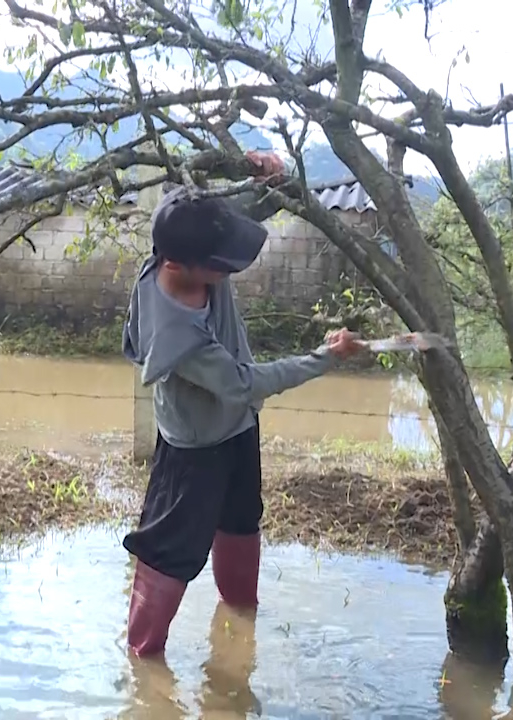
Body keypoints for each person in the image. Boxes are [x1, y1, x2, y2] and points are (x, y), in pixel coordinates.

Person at [119, 151, 366, 657]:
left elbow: (238, 212)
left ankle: (240, 626)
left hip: (237, 430)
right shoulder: (175, 337)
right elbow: (248, 383)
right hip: (193, 449)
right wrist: (326, 357)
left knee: (240, 518)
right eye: (219, 264)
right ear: (175, 266)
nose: (227, 267)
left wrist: (265, 174)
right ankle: (144, 661)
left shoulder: (186, 242)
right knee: (169, 550)